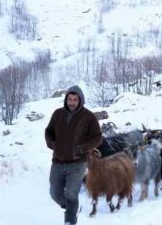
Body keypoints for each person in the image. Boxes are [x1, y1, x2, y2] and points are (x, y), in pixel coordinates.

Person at [45, 85, 102, 225]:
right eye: (69, 99)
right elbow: (48, 131)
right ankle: (72, 208)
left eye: (75, 99)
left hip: (77, 163)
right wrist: (52, 144)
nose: (72, 102)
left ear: (80, 100)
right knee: (55, 194)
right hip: (58, 161)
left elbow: (97, 137)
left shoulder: (88, 116)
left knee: (71, 193)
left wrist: (82, 148)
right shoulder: (57, 114)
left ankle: (69, 220)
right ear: (66, 99)